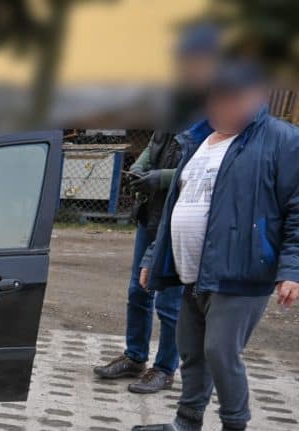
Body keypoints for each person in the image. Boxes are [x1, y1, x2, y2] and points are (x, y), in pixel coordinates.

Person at [131, 60, 299, 431]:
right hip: (193, 271)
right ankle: (187, 425)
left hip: (242, 272)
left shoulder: (281, 140)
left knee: (221, 352)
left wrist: (291, 269)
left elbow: (296, 209)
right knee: (192, 351)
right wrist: (154, 257)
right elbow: (177, 206)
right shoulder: (200, 140)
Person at [94, 23, 220, 393]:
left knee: (168, 298)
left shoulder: (215, 108)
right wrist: (141, 166)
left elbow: (203, 165)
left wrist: (161, 178)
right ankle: (135, 356)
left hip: (181, 214)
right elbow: (155, 141)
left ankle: (165, 368)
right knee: (138, 289)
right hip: (151, 212)